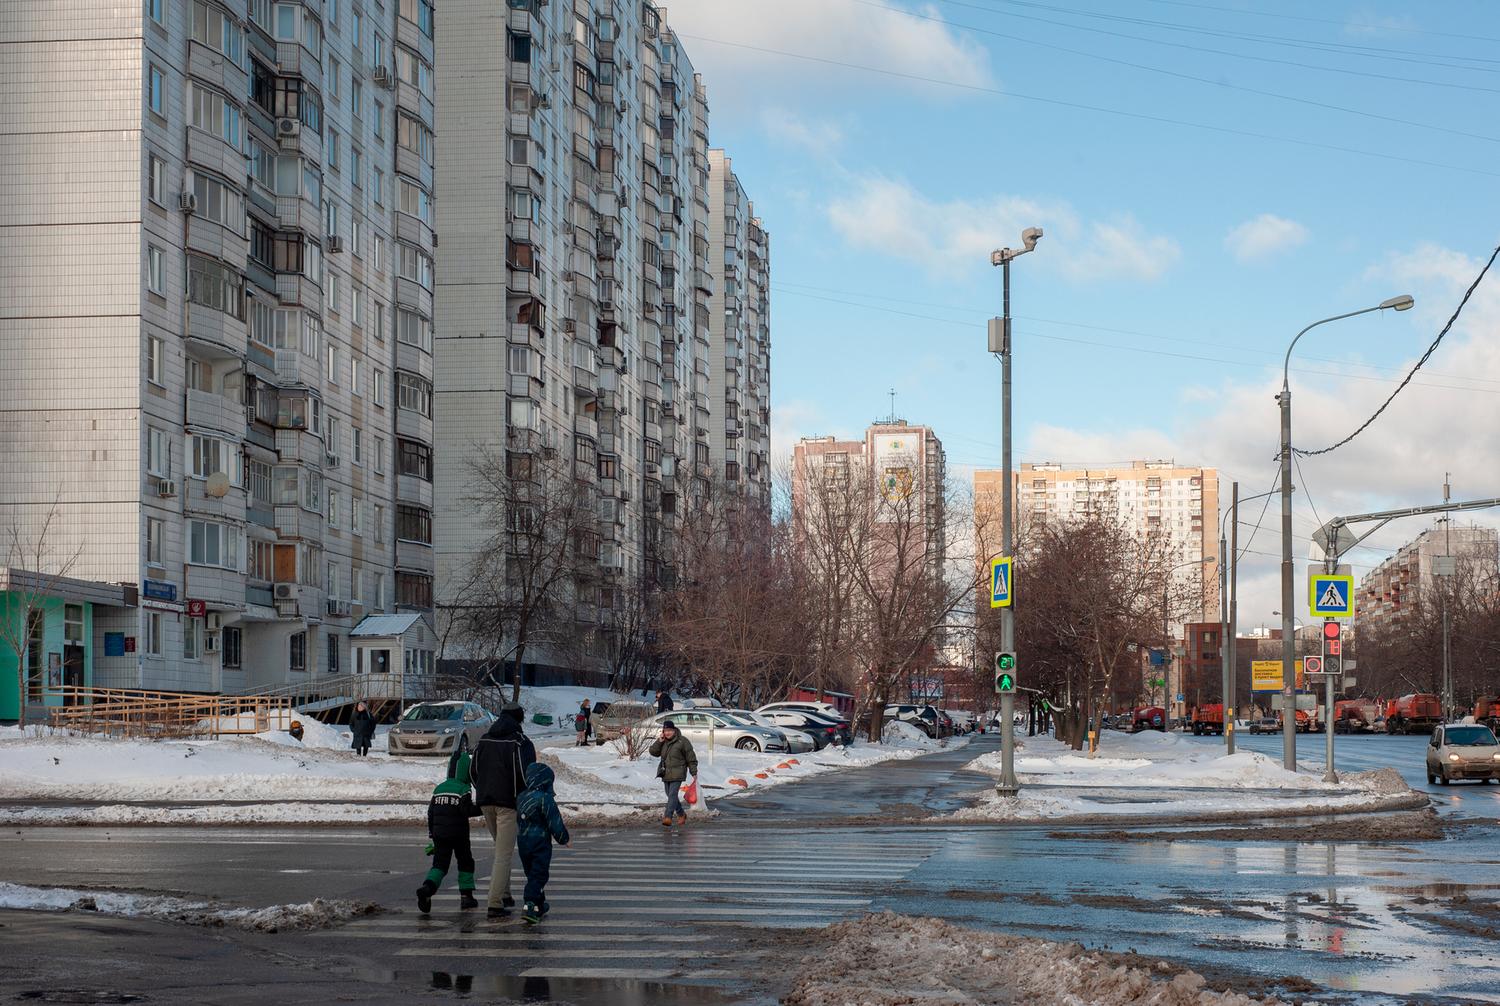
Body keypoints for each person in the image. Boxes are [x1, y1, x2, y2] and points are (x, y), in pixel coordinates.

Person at [470, 711, 535, 917]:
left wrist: (481, 790)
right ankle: (495, 903)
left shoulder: (485, 740)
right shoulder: (520, 742)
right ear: (519, 719)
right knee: (503, 854)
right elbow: (528, 773)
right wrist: (523, 796)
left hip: (485, 801)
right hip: (508, 803)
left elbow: (473, 771)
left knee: (499, 849)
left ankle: (505, 894)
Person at [416, 749, 482, 914]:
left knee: (440, 865)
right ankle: (467, 897)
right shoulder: (463, 789)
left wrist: (432, 834)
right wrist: (483, 807)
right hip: (459, 834)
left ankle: (427, 889)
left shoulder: (439, 789)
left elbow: (431, 813)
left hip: (439, 834)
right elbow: (466, 810)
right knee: (465, 862)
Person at [515, 762, 570, 924]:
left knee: (531, 873)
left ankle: (539, 904)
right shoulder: (545, 799)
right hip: (540, 842)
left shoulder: (521, 796)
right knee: (539, 874)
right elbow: (555, 822)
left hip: (523, 842)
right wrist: (563, 839)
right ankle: (529, 905)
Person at [649, 720, 697, 827]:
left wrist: (693, 771)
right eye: (665, 730)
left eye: (670, 730)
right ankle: (681, 814)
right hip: (665, 772)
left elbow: (691, 757)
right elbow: (653, 752)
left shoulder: (682, 741)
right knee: (670, 795)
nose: (667, 733)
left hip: (678, 772)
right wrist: (659, 741)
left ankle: (668, 817)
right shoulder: (663, 742)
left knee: (672, 795)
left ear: (674, 730)